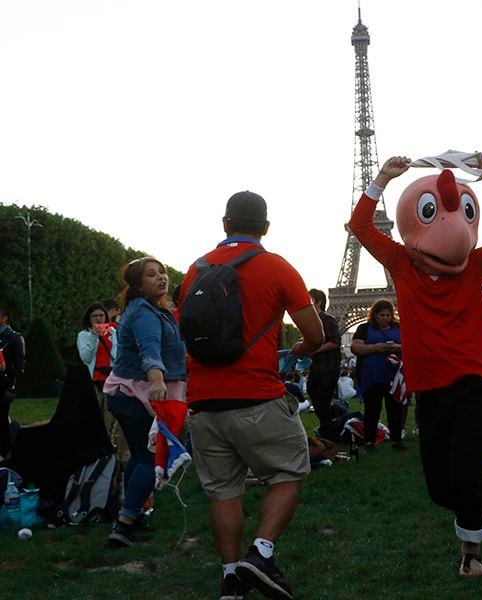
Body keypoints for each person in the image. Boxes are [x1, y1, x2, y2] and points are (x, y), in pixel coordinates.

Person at [348, 155, 482, 578]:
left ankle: (471, 554)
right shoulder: (401, 262)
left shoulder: (476, 265)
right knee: (440, 489)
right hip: (430, 388)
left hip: (475, 383)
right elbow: (362, 227)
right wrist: (382, 178)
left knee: (463, 474)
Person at [177, 191, 323, 600]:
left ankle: (230, 580)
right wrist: (303, 350)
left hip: (203, 400)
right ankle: (260, 554)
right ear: (266, 227)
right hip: (257, 393)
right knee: (289, 471)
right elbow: (315, 334)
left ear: (224, 224)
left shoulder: (194, 270)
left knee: (223, 491)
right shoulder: (276, 267)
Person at [102, 257, 186, 548]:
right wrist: (158, 381)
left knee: (140, 456)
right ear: (138, 285)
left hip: (127, 394)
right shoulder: (145, 313)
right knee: (151, 458)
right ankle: (124, 523)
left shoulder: (147, 309)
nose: (162, 277)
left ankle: (131, 515)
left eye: (162, 272)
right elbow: (149, 348)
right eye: (151, 275)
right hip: (137, 393)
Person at [350, 299, 405, 451]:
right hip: (372, 376)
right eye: (382, 315)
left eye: (388, 315)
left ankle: (396, 439)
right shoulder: (364, 328)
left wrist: (396, 347)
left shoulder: (399, 327)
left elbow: (411, 346)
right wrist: (376, 347)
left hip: (394, 377)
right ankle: (369, 441)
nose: (386, 318)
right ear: (374, 315)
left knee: (395, 409)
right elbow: (355, 347)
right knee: (372, 410)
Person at [302, 289, 342, 441]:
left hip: (329, 368)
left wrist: (315, 350)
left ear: (318, 302)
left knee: (322, 403)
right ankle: (329, 429)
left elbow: (335, 342)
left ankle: (328, 434)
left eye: (310, 299)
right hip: (316, 368)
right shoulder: (311, 322)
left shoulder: (328, 319)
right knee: (317, 401)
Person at [0, 305, 26, 462]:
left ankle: (4, 451)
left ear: (4, 317)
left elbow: (18, 365)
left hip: (3, 385)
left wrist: (12, 387)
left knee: (2, 419)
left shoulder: (14, 338)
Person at [77, 302, 118, 394]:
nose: (98, 319)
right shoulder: (84, 335)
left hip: (112, 377)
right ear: (89, 318)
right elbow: (85, 358)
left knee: (110, 407)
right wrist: (93, 337)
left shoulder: (114, 333)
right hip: (94, 378)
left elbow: (119, 355)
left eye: (101, 315)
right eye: (94, 316)